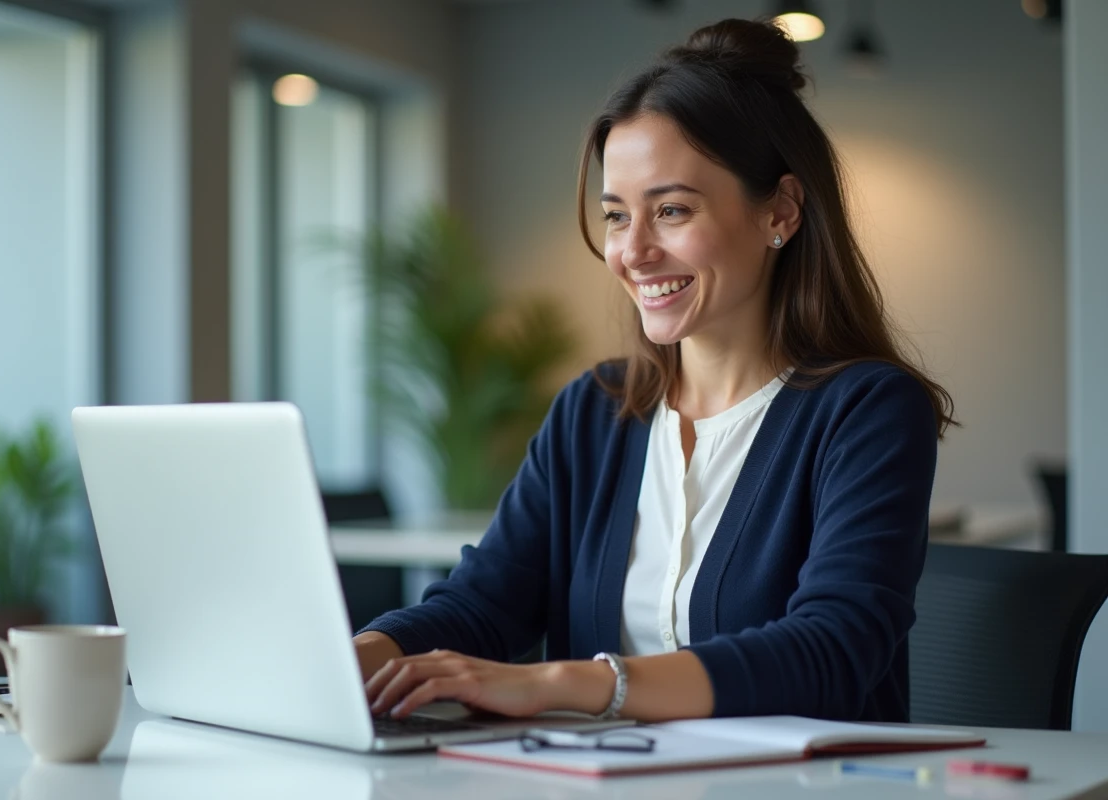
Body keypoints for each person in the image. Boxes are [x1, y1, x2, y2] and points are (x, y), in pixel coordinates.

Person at [353, 17, 954, 725]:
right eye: (615, 216)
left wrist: (566, 684)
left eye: (670, 210)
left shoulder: (868, 410)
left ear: (781, 212)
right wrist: (349, 659)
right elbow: (484, 603)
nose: (632, 252)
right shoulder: (594, 411)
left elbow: (833, 650)